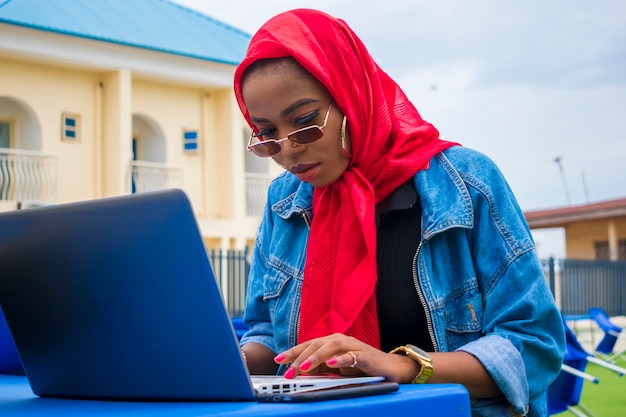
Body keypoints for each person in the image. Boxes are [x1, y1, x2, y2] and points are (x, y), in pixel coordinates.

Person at [233, 9, 565, 417]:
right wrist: (233, 362)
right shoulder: (283, 201)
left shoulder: (466, 183)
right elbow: (268, 334)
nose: (287, 149)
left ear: (353, 95)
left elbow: (533, 345)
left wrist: (407, 366)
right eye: (266, 134)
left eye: (304, 123)